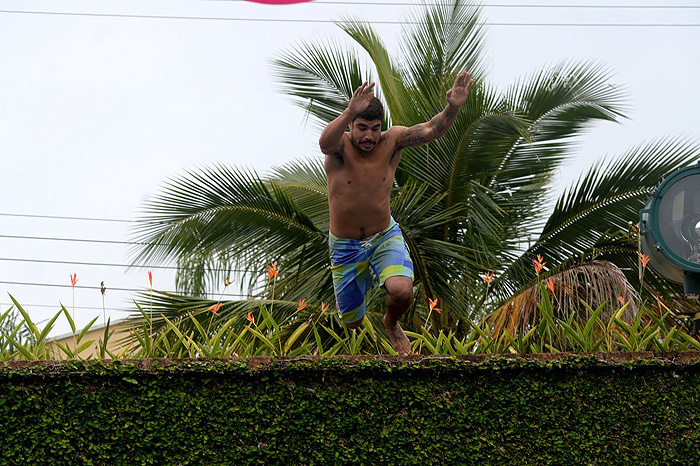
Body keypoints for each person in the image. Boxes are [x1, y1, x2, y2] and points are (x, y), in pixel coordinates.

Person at [319, 71, 474, 355]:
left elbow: (430, 129)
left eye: (375, 128)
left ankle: (391, 323)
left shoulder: (392, 141)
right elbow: (323, 143)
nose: (369, 136)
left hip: (383, 236)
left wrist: (452, 108)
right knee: (351, 321)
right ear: (351, 125)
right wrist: (348, 111)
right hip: (345, 246)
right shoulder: (339, 146)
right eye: (362, 127)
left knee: (402, 291)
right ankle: (359, 311)